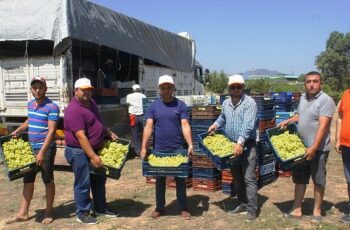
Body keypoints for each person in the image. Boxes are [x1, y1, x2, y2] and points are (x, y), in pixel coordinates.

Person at [278, 71, 336, 223]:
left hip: (319, 149)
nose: (311, 84)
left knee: (318, 179)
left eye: (315, 81)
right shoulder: (303, 98)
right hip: (301, 148)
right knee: (300, 179)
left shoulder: (326, 100)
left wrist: (314, 148)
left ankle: (317, 211)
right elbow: (300, 116)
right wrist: (289, 121)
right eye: (308, 81)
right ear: (304, 83)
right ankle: (297, 208)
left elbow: (323, 127)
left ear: (320, 83)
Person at [64, 77, 118, 224]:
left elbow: (97, 122)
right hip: (79, 151)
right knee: (83, 182)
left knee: (99, 179)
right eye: (84, 90)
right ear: (76, 90)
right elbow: (81, 137)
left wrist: (107, 131)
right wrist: (93, 156)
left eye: (89, 89)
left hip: (94, 148)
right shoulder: (73, 109)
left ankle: (100, 207)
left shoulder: (91, 103)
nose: (87, 92)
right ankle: (82, 213)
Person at [7, 76, 59, 225]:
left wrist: (42, 152)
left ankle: (49, 212)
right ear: (31, 89)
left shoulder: (52, 106)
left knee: (47, 180)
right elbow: (29, 120)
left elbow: (51, 131)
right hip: (31, 148)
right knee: (28, 180)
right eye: (34, 87)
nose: (37, 90)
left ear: (45, 89)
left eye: (40, 87)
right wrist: (17, 130)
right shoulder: (31, 104)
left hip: (46, 149)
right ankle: (23, 213)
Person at [140, 75, 193, 220]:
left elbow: (185, 125)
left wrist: (190, 144)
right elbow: (148, 126)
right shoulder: (153, 106)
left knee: (180, 179)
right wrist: (144, 146)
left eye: (169, 87)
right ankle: (159, 207)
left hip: (177, 149)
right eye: (163, 88)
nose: (166, 90)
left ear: (173, 88)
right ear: (159, 90)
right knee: (160, 180)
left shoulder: (180, 105)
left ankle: (183, 207)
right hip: (159, 150)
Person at [208, 74, 258, 222]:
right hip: (231, 146)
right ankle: (242, 204)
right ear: (229, 89)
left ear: (243, 87)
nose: (236, 89)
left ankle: (252, 210)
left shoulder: (250, 103)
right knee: (237, 177)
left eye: (238, 86)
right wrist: (215, 125)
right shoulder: (226, 103)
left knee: (248, 178)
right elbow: (223, 117)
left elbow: (248, 125)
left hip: (247, 145)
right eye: (233, 87)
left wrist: (240, 143)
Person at [335, 90, 350, 223]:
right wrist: (338, 138)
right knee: (349, 179)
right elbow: (340, 117)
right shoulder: (346, 94)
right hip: (346, 145)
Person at [126, 84, 146, 156]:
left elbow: (127, 104)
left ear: (133, 89)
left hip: (133, 117)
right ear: (139, 89)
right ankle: (145, 150)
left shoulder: (129, 96)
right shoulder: (143, 96)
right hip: (143, 116)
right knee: (145, 133)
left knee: (135, 134)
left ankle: (138, 152)